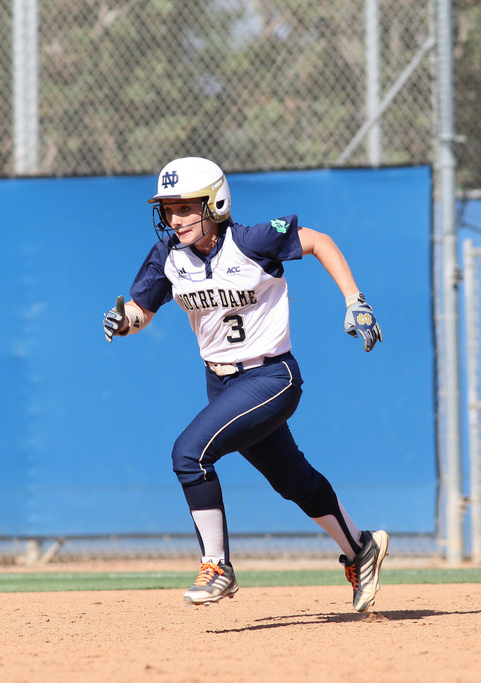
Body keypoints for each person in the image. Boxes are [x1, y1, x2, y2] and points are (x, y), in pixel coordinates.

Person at [102, 157, 389, 612]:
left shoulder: (251, 239)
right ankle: (361, 548)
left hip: (271, 375)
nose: (174, 218)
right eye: (168, 209)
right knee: (292, 480)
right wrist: (124, 320)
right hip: (221, 384)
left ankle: (216, 566)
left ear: (214, 202)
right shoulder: (168, 256)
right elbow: (142, 310)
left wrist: (354, 299)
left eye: (185, 207)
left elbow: (318, 241)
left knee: (189, 454)